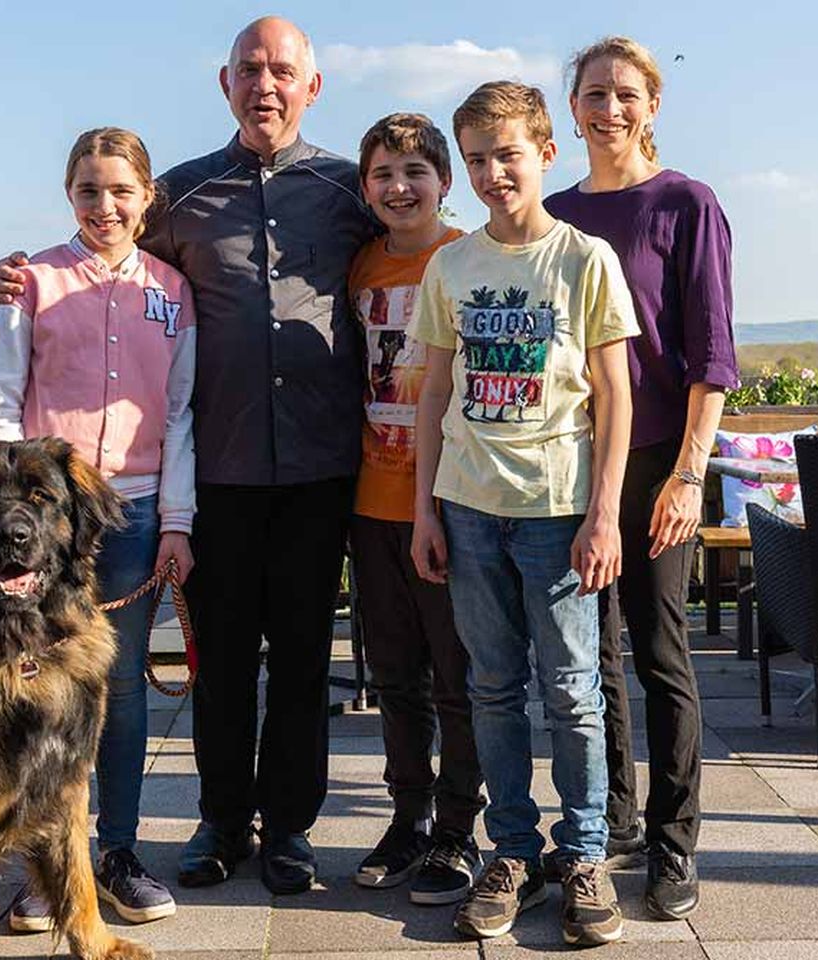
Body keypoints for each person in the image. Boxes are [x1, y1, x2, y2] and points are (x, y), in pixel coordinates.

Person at [0, 17, 378, 896]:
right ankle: (222, 821)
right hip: (219, 478)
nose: (265, 84)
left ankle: (290, 831)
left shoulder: (352, 191)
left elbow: (421, 247)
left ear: (313, 87)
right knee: (222, 660)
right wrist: (8, 283)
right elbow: (105, 267)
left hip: (321, 470)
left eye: (283, 71)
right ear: (224, 83)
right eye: (249, 69)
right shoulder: (180, 197)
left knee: (306, 657)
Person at [409, 81, 638, 947]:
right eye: (475, 159)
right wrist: (429, 509)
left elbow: (615, 395)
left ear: (546, 151)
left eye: (507, 154)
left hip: (558, 511)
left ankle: (581, 857)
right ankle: (510, 850)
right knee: (492, 689)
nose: (492, 172)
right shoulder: (452, 264)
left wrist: (605, 512)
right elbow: (436, 391)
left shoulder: (584, 260)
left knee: (573, 693)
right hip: (469, 509)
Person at [0, 127, 196, 929]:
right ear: (70, 194)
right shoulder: (28, 282)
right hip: (45, 525)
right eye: (89, 191)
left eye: (120, 191)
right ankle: (42, 866)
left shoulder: (174, 288)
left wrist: (177, 523)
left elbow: (178, 416)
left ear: (146, 198)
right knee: (34, 692)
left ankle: (118, 852)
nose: (105, 206)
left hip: (131, 518)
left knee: (123, 690)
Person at [544, 36, 739, 921]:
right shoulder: (552, 214)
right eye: (593, 93)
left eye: (626, 94)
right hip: (570, 466)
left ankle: (674, 840)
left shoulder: (686, 205)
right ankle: (614, 818)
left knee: (660, 655)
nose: (609, 108)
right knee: (591, 657)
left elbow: (712, 357)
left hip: (660, 461)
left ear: (652, 105)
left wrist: (690, 477)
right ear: (572, 106)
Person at [346, 113, 485, 906]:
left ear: (443, 181)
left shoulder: (463, 260)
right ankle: (409, 814)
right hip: (370, 500)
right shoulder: (360, 263)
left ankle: (459, 828)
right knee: (395, 676)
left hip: (450, 502)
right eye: (382, 175)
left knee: (455, 678)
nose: (399, 188)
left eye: (414, 172)